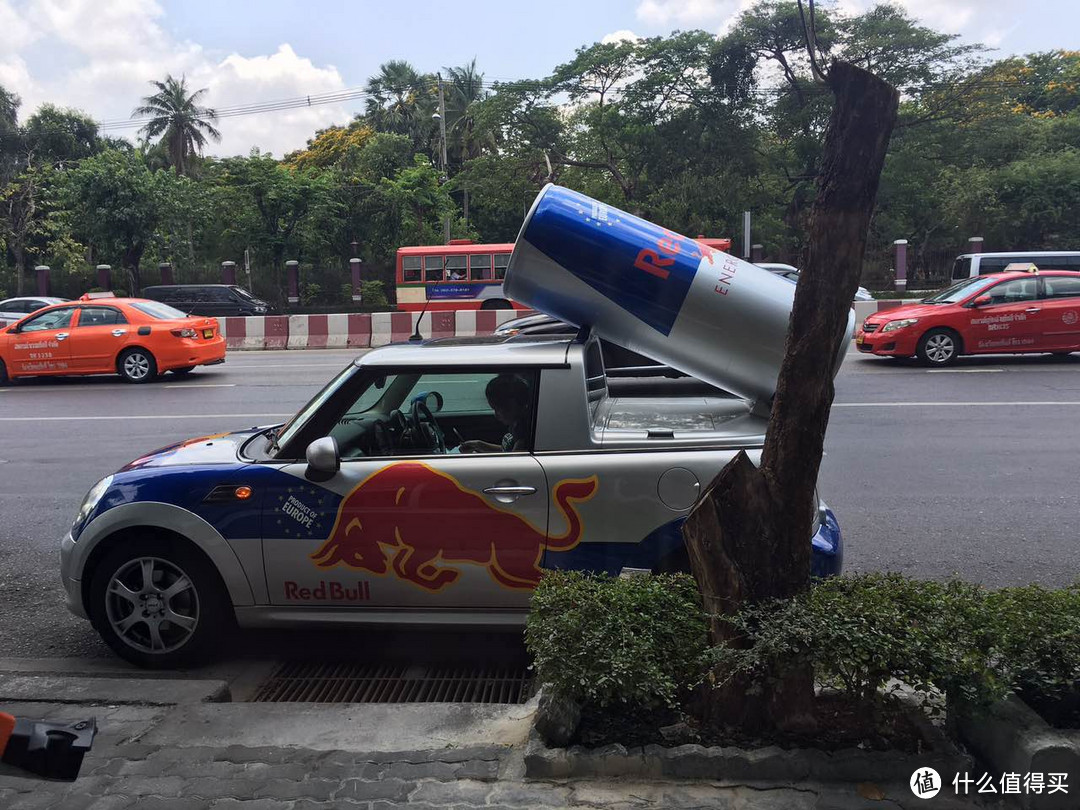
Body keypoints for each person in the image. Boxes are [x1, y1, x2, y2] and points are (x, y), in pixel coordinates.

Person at [458, 373, 531, 453]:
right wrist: (478, 445)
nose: (496, 415)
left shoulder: (523, 439)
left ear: (512, 405)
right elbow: (506, 451)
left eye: (498, 409)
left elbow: (512, 462)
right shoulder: (516, 425)